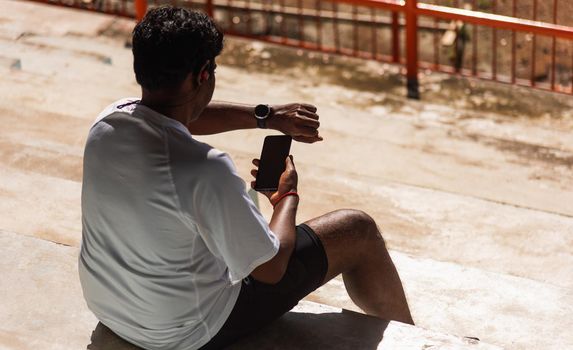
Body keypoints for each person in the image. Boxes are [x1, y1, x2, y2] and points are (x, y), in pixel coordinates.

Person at [80, 6, 413, 350]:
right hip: (183, 333)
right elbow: (270, 269)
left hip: (112, 309)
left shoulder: (108, 122)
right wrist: (286, 199)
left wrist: (268, 117)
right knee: (356, 228)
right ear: (203, 75)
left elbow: (180, 117)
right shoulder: (205, 169)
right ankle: (415, 338)